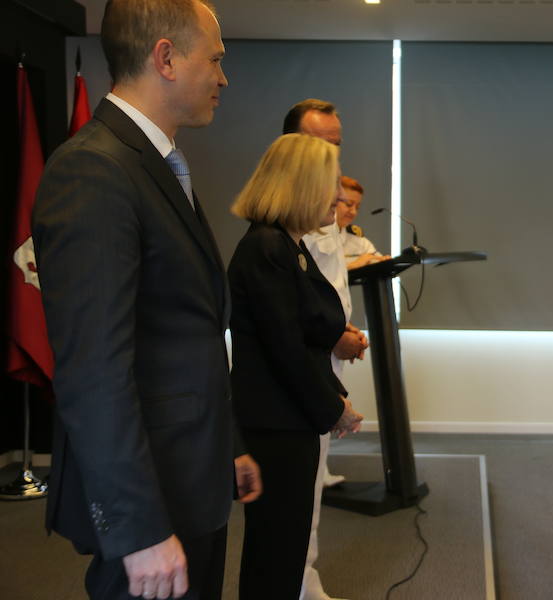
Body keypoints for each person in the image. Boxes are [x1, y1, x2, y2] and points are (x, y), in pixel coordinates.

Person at [32, 1, 261, 598]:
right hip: (151, 503)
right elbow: (93, 370)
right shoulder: (94, 170)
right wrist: (136, 530)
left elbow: (187, 334)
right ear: (165, 58)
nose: (223, 76)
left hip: (192, 476)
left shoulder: (154, 165)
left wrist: (227, 445)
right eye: (215, 59)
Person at [228, 133, 364, 600]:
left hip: (290, 421)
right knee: (275, 554)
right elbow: (285, 350)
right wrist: (334, 408)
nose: (342, 198)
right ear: (302, 185)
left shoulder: (289, 246)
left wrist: (333, 395)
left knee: (285, 551)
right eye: (332, 184)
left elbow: (307, 335)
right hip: (275, 425)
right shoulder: (267, 248)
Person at [283, 99, 367, 600]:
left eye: (337, 143)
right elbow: (292, 300)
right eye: (321, 142)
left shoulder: (329, 197)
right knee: (297, 492)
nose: (331, 152)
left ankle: (306, 580)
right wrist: (333, 332)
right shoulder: (290, 206)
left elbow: (330, 283)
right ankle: (298, 584)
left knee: (311, 487)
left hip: (326, 357)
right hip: (300, 363)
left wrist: (346, 327)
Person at [335, 176, 387, 270]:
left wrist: (385, 262)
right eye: (349, 204)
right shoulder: (310, 235)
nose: (354, 212)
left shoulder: (356, 239)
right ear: (332, 201)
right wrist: (353, 266)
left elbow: (376, 259)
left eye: (357, 207)